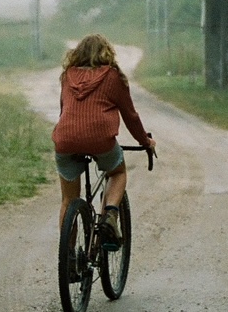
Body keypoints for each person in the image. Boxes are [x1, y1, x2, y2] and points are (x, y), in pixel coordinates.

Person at [52, 34, 156, 246]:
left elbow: (65, 111)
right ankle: (109, 215)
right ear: (107, 52)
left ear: (77, 54)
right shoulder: (113, 76)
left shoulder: (67, 76)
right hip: (101, 140)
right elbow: (131, 116)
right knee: (117, 172)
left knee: (68, 199)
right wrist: (145, 141)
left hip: (65, 140)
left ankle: (69, 258)